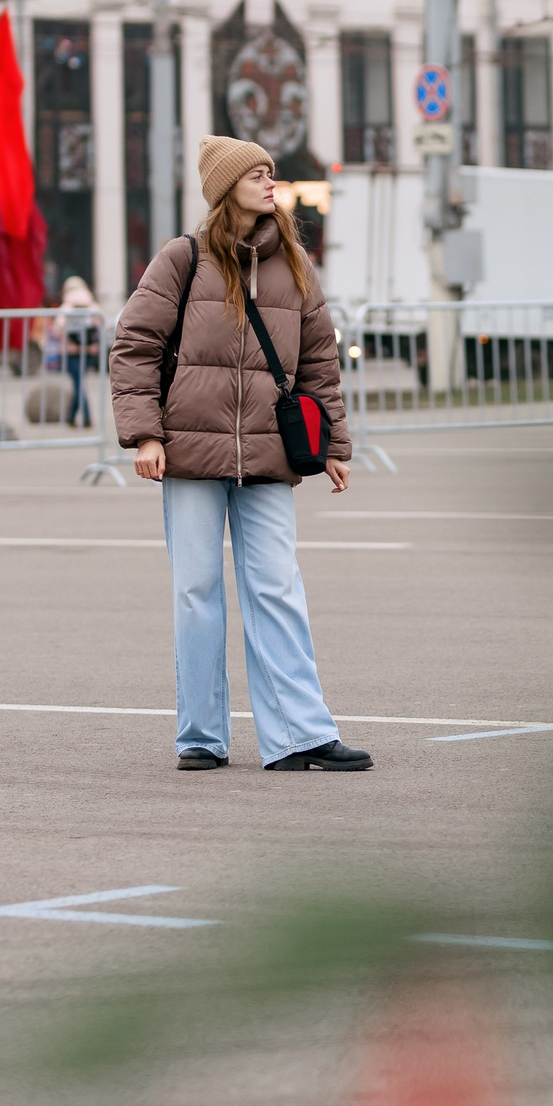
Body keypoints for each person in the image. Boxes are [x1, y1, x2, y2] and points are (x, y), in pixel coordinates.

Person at [109, 136, 374, 774]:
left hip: (270, 450)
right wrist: (145, 434)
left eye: (270, 173)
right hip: (189, 451)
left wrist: (335, 445)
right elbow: (135, 345)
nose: (269, 182)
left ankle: (299, 736)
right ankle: (201, 736)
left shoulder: (295, 265)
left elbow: (320, 362)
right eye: (256, 174)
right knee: (196, 591)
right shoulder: (183, 258)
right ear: (225, 188)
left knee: (276, 587)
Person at [58, 275, 100, 428]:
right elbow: (100, 327)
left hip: (71, 351)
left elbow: (58, 328)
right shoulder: (93, 306)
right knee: (79, 384)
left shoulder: (66, 307)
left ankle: (86, 417)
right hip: (88, 351)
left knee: (78, 384)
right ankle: (71, 417)